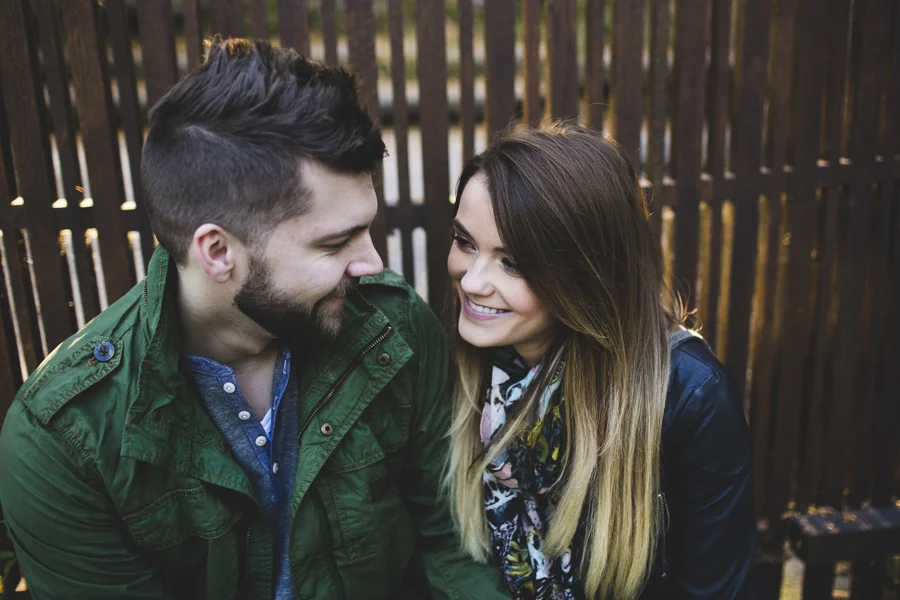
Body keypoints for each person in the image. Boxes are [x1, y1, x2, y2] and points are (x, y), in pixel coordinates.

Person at [0, 37, 511, 600]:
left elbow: (452, 541)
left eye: (365, 229)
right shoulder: (64, 443)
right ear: (218, 252)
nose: (371, 263)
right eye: (335, 243)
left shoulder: (393, 328)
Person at [444, 123, 755, 600]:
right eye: (466, 242)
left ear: (584, 275)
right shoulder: (472, 363)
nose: (471, 282)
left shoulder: (691, 396)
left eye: (513, 262)